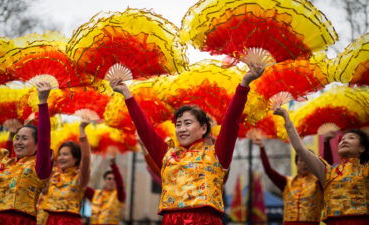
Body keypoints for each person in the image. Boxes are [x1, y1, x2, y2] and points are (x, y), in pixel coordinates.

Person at [109, 63, 264, 224]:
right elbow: (145, 129)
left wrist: (244, 84)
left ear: (203, 128)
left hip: (205, 219)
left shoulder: (217, 154)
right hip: (171, 219)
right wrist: (127, 94)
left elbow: (231, 123)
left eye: (188, 123)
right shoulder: (168, 154)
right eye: (178, 124)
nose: (181, 129)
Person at [274, 107, 369, 225]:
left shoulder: (365, 170)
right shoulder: (328, 172)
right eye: (342, 139)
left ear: (362, 148)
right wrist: (287, 120)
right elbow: (300, 149)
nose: (344, 141)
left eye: (351, 138)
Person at [0, 82, 52, 224]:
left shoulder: (39, 167)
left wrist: (43, 102)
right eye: (17, 138)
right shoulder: (3, 160)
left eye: (24, 138)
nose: (18, 142)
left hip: (22, 220)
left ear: (38, 146)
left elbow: (45, 138)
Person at [254, 138, 325, 225]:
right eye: (301, 160)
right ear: (296, 163)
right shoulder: (287, 182)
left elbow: (326, 168)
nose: (304, 164)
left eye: (307, 161)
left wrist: (326, 142)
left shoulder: (319, 182)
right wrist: (262, 147)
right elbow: (269, 171)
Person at [39, 117, 91, 225]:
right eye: (60, 154)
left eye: (66, 154)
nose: (61, 157)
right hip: (48, 220)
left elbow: (86, 158)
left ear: (76, 158)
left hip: (69, 221)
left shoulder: (80, 178)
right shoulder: (52, 175)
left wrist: (81, 130)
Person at [85, 155, 126, 225]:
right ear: (105, 180)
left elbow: (120, 186)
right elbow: (82, 186)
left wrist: (113, 164)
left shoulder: (119, 196)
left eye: (114, 179)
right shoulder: (96, 194)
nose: (112, 181)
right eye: (109, 179)